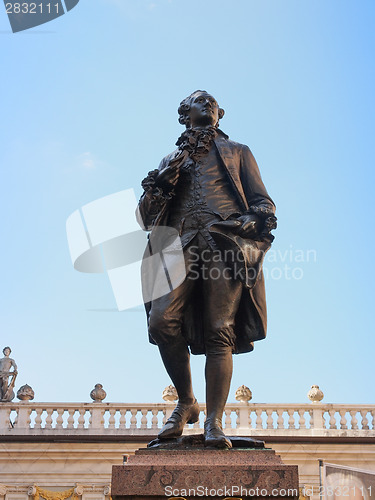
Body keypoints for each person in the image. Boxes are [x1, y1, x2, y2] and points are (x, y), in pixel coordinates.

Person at [136, 91, 276, 448]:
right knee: (161, 321)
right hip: (177, 245)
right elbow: (145, 218)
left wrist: (251, 219)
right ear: (185, 115)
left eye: (213, 102)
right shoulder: (170, 160)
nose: (209, 104)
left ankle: (214, 420)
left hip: (223, 243)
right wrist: (162, 183)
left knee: (220, 330)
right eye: (201, 100)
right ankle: (186, 402)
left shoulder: (238, 151)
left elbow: (262, 200)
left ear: (220, 114)